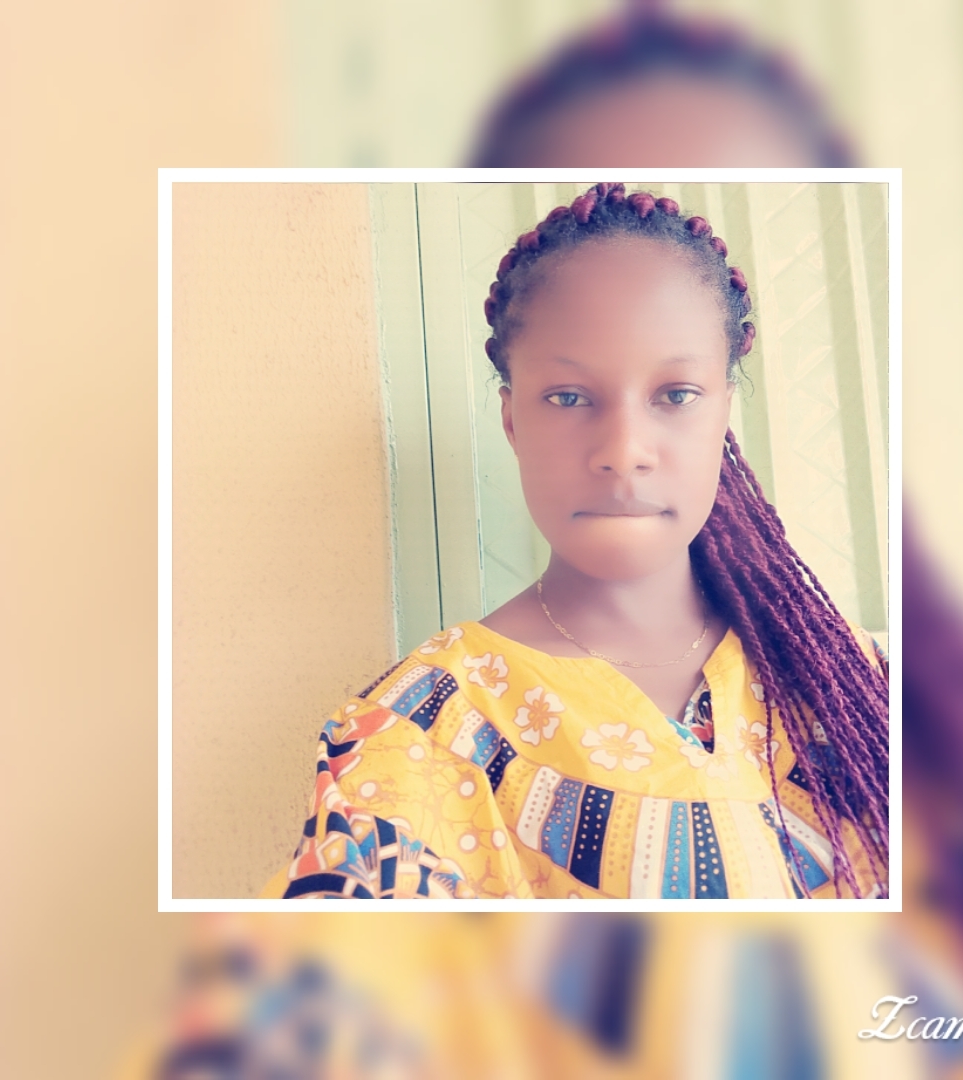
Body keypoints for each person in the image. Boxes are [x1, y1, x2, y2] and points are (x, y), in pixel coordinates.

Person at [261, 182, 889, 902]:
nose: (623, 452)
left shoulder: (856, 680)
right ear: (512, 421)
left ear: (723, 411)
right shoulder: (421, 732)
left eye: (676, 395)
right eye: (567, 397)